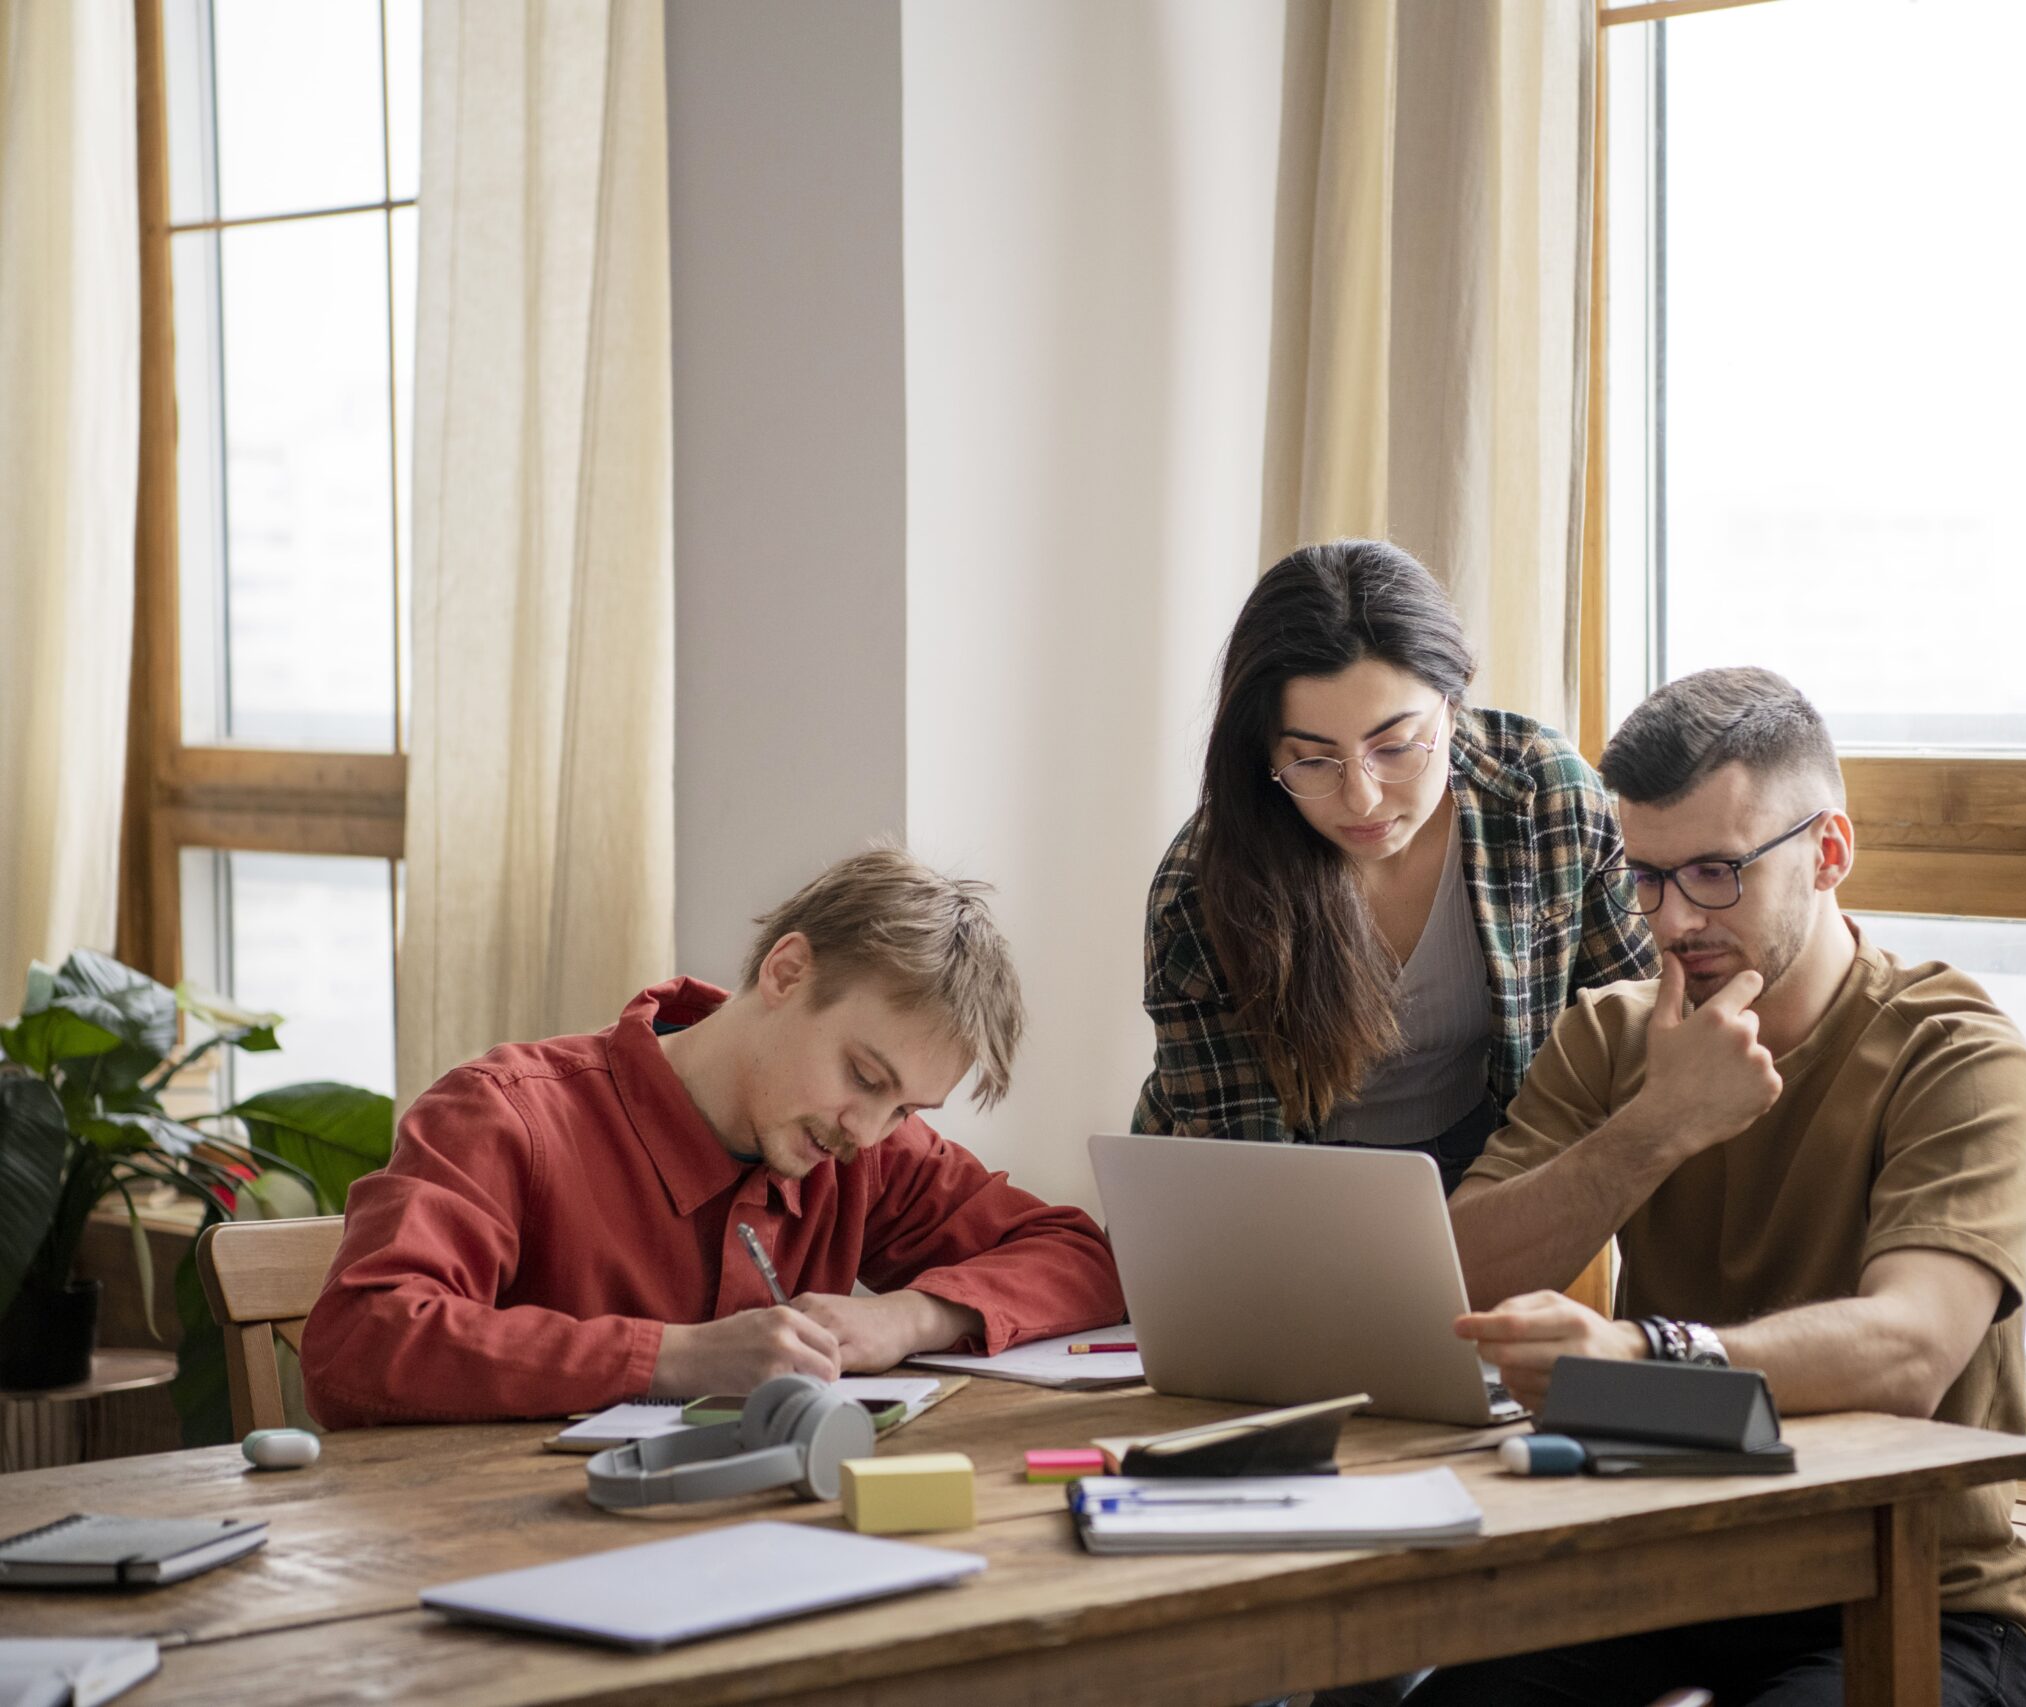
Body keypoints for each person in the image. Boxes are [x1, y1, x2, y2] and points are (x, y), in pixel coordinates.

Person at [1416, 667, 2026, 1707]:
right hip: (1667, 1575)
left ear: (1829, 853)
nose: (1673, 922)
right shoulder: (1613, 1034)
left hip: (1922, 1603)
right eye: (1649, 877)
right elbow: (1450, 1280)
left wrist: (1644, 1358)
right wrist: (1655, 1130)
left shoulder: (1955, 1052)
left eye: (1717, 872)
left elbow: (1908, 1353)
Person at [302, 847, 1124, 1427]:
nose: (869, 1130)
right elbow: (358, 1338)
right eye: (865, 1078)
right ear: (786, 972)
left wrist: (908, 1318)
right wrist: (670, 1358)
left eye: (909, 1110)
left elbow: (1081, 1255)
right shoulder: (503, 1116)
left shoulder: (863, 1151)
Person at [1135, 539, 1657, 1192]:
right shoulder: (1202, 887)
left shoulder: (1543, 796)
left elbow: (1633, 1028)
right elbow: (1246, 1180)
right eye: (1313, 759)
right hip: (1281, 1174)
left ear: (1453, 703)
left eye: (1396, 746)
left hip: (1499, 1147)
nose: (1363, 797)